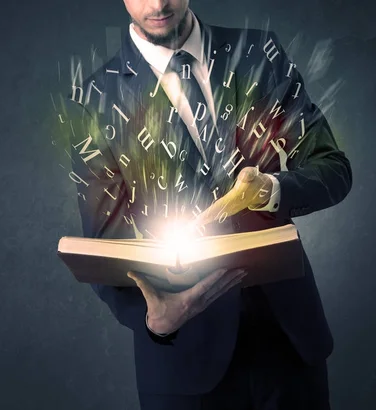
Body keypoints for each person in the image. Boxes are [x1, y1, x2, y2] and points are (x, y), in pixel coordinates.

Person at [58, 0, 352, 408]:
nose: (158, 3)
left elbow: (333, 169)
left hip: (290, 345)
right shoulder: (92, 101)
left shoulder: (258, 53)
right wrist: (155, 323)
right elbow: (106, 242)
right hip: (184, 363)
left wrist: (272, 187)